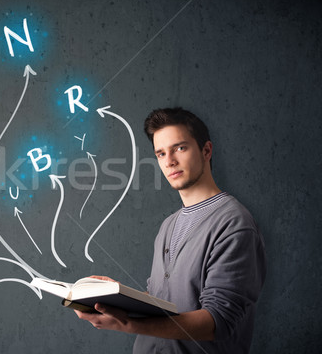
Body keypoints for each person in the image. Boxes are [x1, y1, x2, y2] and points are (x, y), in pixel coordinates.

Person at [75, 108, 266, 353]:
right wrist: (119, 297)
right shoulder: (168, 225)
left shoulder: (234, 224)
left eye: (180, 148)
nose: (169, 161)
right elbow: (163, 301)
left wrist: (127, 323)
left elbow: (217, 321)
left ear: (206, 150)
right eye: (161, 153)